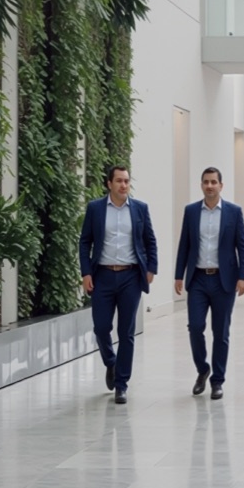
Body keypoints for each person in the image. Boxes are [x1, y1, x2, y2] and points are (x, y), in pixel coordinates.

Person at [77, 162, 156, 404]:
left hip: (131, 276)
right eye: (119, 181)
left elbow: (150, 240)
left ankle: (121, 384)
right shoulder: (96, 209)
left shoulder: (140, 209)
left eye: (127, 180)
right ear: (109, 183)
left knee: (126, 331)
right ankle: (111, 363)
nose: (124, 185)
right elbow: (84, 242)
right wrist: (86, 272)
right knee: (101, 328)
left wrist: (151, 268)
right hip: (102, 275)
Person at [174, 166, 244, 398]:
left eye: (213, 182)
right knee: (195, 327)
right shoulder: (191, 211)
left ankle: (217, 380)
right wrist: (179, 274)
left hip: (223, 281)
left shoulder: (233, 212)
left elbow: (242, 246)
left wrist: (243, 277)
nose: (209, 186)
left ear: (221, 185)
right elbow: (184, 244)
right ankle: (202, 370)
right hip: (197, 279)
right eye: (206, 182)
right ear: (201, 185)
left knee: (221, 331)